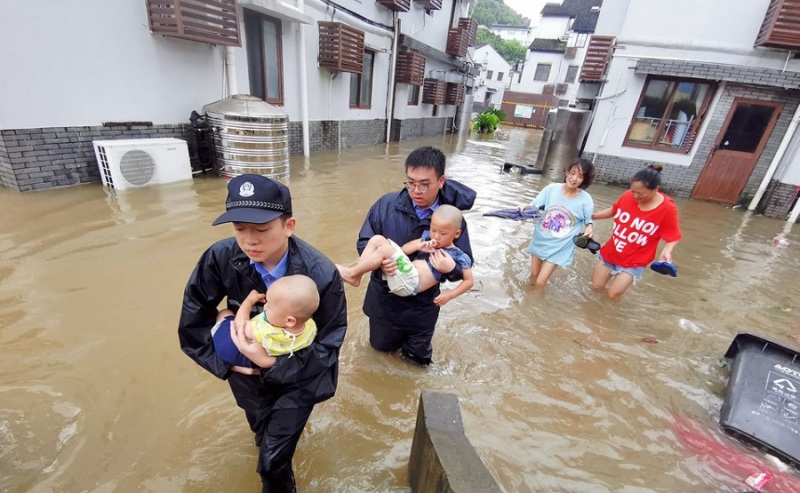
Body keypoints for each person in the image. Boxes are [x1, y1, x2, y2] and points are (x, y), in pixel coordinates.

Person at [178, 174, 347, 492]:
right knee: (261, 434)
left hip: (300, 376)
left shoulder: (320, 273)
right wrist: (227, 364)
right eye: (240, 229)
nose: (249, 241)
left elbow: (330, 340)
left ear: (289, 225)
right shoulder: (220, 257)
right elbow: (192, 320)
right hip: (245, 375)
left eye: (261, 230)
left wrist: (273, 365)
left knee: (271, 464)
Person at [355, 146, 476, 367]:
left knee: (417, 364)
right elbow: (365, 242)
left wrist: (452, 269)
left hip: (423, 308)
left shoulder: (452, 219)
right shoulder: (386, 206)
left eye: (424, 184)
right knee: (379, 357)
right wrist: (382, 264)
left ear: (441, 181)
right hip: (384, 302)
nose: (416, 190)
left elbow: (464, 263)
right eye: (410, 183)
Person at [338, 204, 474, 303]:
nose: (436, 236)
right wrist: (419, 245)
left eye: (443, 233)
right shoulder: (427, 238)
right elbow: (404, 250)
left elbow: (469, 281)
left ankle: (351, 273)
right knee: (377, 239)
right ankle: (356, 276)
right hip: (404, 273)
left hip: (411, 283)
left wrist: (449, 295)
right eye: (433, 230)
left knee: (385, 249)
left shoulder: (459, 255)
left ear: (457, 234)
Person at [590, 164, 682, 300]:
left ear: (655, 190)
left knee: (612, 295)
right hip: (611, 253)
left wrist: (666, 251)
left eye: (640, 193)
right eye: (633, 191)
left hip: (634, 261)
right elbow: (614, 210)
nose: (635, 196)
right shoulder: (628, 195)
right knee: (595, 288)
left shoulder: (667, 209)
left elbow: (673, 235)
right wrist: (592, 216)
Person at [517, 157, 596, 286]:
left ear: (584, 180)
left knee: (540, 282)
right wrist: (525, 206)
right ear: (567, 173)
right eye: (573, 173)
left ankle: (537, 304)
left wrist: (590, 228)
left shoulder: (585, 200)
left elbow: (589, 221)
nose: (574, 178)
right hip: (541, 239)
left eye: (580, 176)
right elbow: (535, 205)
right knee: (534, 276)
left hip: (560, 246)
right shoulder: (551, 189)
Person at [211, 275, 320, 367]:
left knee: (225, 313)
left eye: (270, 306)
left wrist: (249, 301)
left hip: (237, 352)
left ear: (290, 321)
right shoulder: (311, 327)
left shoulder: (264, 332)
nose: (265, 306)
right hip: (273, 358)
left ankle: (216, 335)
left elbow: (239, 325)